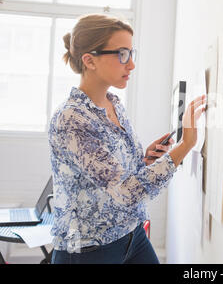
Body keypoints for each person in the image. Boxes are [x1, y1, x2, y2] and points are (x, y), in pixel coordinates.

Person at [48, 14, 205, 264]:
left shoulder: (114, 104)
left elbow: (116, 178)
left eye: (132, 53)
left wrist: (143, 161)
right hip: (89, 251)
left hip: (131, 236)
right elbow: (126, 193)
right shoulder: (71, 119)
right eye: (122, 54)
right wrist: (185, 146)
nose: (131, 64)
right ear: (89, 60)